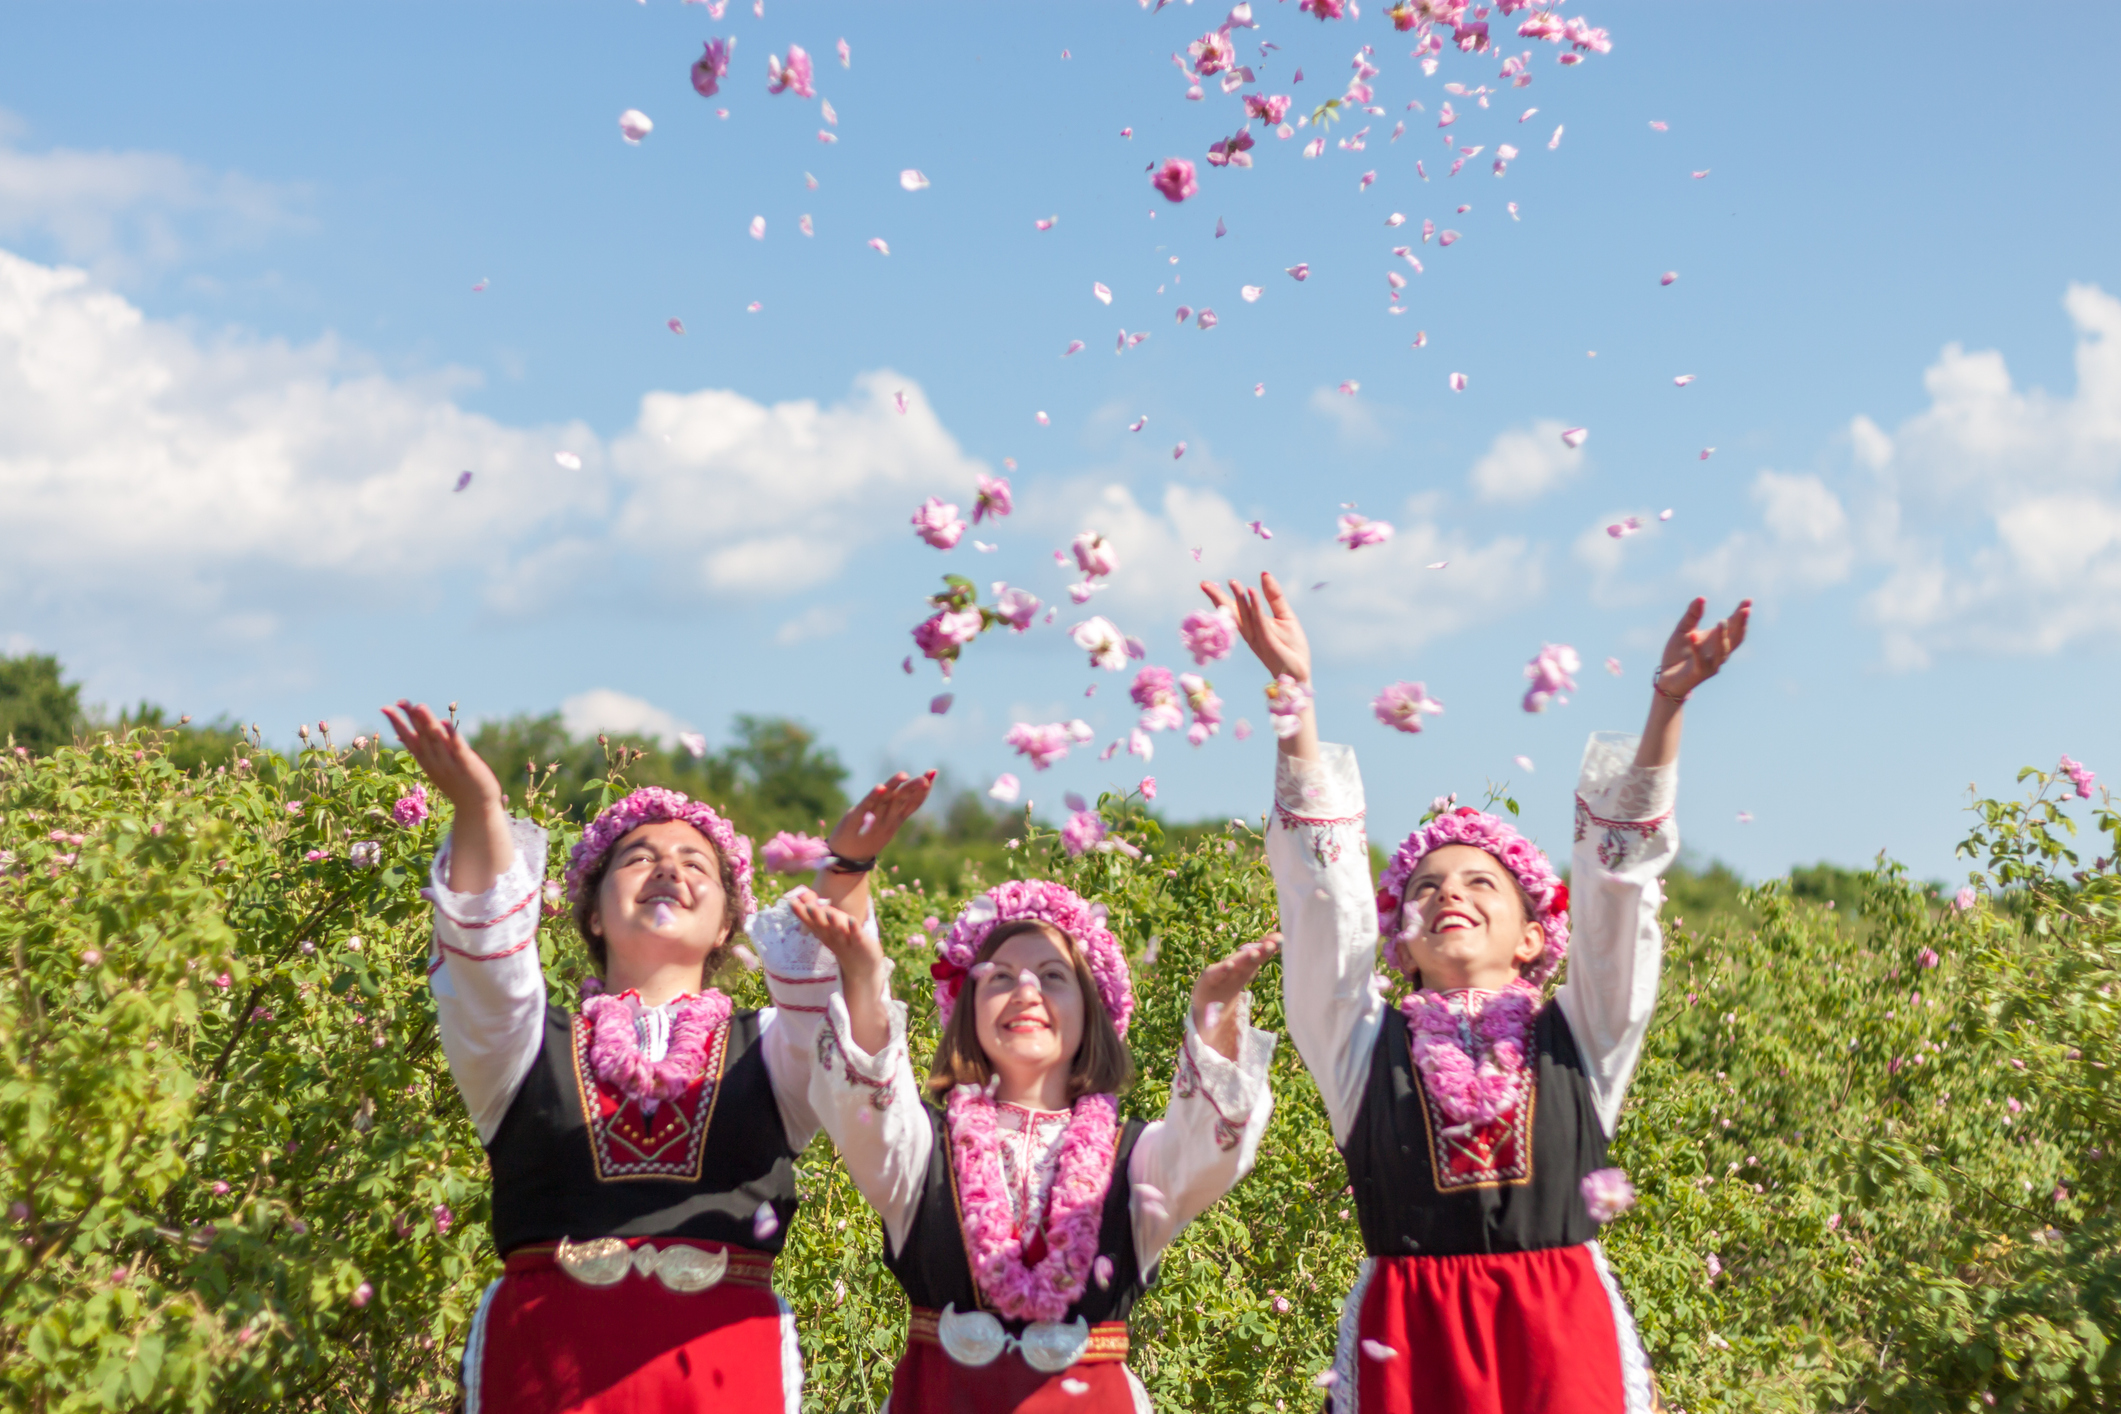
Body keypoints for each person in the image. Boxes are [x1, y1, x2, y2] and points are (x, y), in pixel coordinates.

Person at [1198, 574, 1749, 1414]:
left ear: (1533, 936)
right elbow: (1321, 895)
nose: (1449, 894)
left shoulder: (1583, 1031)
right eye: (1425, 885)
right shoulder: (1356, 1044)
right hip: (1410, 1346)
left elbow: (1617, 896)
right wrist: (1296, 698)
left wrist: (1665, 711)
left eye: (1481, 883)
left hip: (1561, 1341)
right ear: (1398, 938)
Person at [380, 698, 934, 1414]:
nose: (667, 870)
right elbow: (484, 966)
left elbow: (836, 1009)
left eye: (693, 862)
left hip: (720, 1380)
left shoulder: (769, 1049)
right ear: (591, 910)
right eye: (638, 858)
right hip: (545, 1375)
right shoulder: (521, 1047)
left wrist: (848, 867)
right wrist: (480, 807)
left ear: (729, 922)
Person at [787, 874, 1281, 1413]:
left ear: (1092, 1010)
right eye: (999, 977)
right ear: (967, 1005)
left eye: (1052, 975)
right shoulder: (920, 1148)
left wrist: (1216, 1019)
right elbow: (865, 1108)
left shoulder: (1137, 1158)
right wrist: (861, 974)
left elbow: (1207, 1152)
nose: (1027, 991)